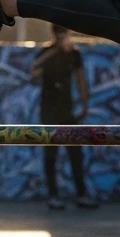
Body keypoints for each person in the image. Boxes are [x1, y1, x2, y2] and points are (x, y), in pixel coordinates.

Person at [31, 25, 92, 209]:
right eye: (58, 33)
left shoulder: (74, 54)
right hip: (49, 110)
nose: (61, 37)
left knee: (75, 153)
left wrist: (84, 103)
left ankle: (81, 195)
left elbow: (81, 78)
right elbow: (33, 71)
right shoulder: (46, 52)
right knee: (51, 154)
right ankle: (53, 195)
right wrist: (55, 51)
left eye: (63, 33)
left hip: (67, 110)